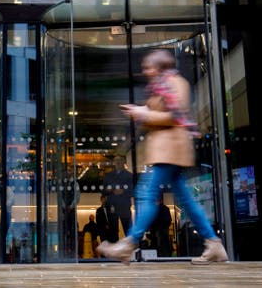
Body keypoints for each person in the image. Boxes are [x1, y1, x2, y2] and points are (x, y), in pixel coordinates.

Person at [97, 49, 228, 265]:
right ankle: (214, 245)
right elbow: (155, 115)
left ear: (159, 67)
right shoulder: (160, 87)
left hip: (171, 150)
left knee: (146, 192)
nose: (145, 71)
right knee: (185, 199)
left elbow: (176, 116)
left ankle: (128, 245)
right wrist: (139, 111)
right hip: (167, 150)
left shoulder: (176, 83)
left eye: (148, 67)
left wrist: (144, 113)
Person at [102, 155, 134, 239]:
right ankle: (115, 249)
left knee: (128, 229)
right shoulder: (108, 176)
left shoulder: (129, 176)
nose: (118, 162)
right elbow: (103, 191)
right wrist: (108, 191)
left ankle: (130, 249)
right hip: (112, 205)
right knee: (113, 231)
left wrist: (123, 191)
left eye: (120, 160)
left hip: (124, 205)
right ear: (113, 163)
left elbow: (133, 190)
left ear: (124, 162)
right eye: (116, 160)